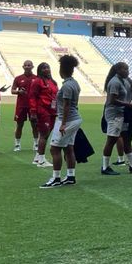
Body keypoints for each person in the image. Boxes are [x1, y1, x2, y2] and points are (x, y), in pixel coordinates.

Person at [40, 55, 82, 188]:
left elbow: (67, 106)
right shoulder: (74, 83)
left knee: (55, 148)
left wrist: (63, 123)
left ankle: (56, 178)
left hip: (67, 120)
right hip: (74, 119)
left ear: (62, 69)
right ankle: (70, 176)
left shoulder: (67, 86)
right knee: (68, 148)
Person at [101, 62, 132, 175]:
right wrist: (129, 104)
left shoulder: (125, 81)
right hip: (114, 114)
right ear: (118, 70)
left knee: (126, 138)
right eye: (125, 69)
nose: (127, 71)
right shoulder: (114, 82)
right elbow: (112, 100)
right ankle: (105, 167)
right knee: (111, 140)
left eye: (128, 69)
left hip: (122, 114)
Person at [28, 62, 58, 167]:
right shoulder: (37, 81)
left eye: (48, 67)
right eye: (44, 68)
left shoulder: (52, 81)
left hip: (52, 111)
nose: (46, 69)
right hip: (43, 110)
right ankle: (41, 160)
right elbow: (32, 97)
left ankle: (37, 158)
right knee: (44, 134)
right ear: (40, 70)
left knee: (47, 134)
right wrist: (33, 112)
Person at [11, 60, 38, 152]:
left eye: (29, 65)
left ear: (32, 67)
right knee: (19, 125)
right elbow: (12, 90)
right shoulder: (18, 78)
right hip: (21, 105)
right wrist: (19, 91)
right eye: (25, 65)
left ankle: (36, 144)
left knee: (34, 125)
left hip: (33, 106)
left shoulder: (37, 78)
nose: (27, 67)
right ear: (23, 67)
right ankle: (17, 144)